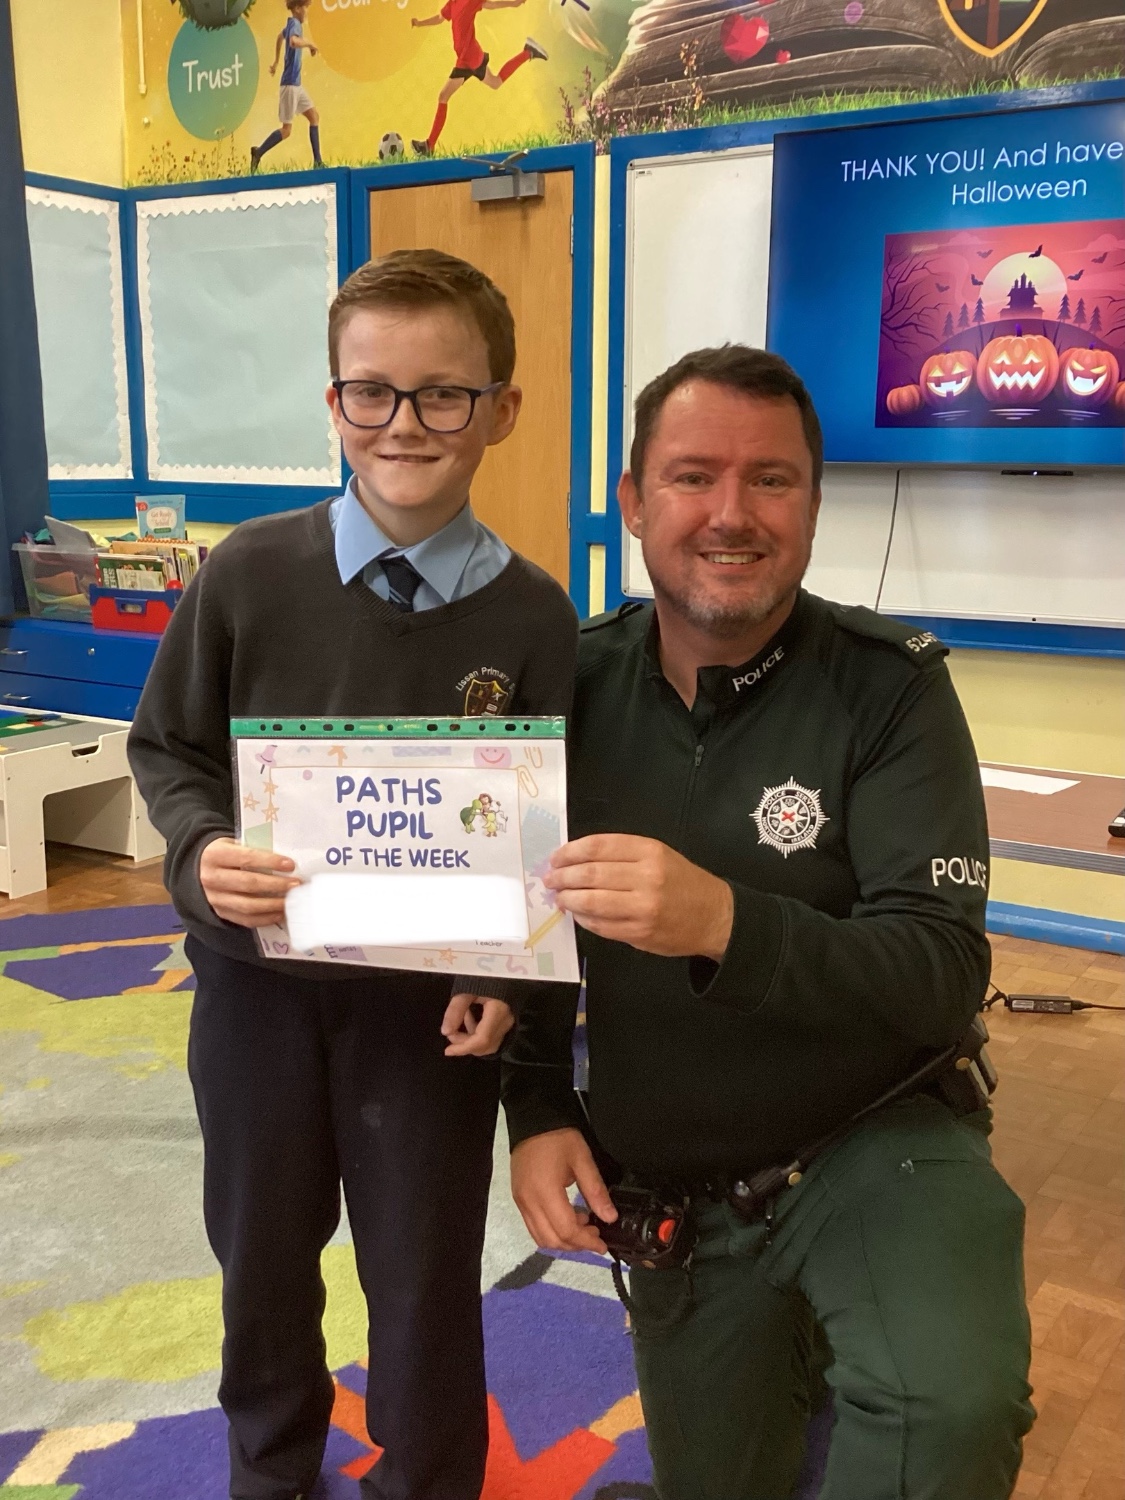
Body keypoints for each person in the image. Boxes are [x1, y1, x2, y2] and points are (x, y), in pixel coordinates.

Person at [504, 345, 1035, 1499]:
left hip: (879, 1133)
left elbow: (941, 971)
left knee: (948, 1405)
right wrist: (536, 1108)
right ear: (634, 500)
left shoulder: (892, 688)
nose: (731, 513)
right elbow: (518, 924)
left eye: (772, 479)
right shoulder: (565, 688)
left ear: (814, 503)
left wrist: (725, 923)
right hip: (673, 1176)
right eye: (693, 477)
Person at [128, 249, 577, 1500]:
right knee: (263, 1258)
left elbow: (541, 832)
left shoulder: (536, 617)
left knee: (423, 1271)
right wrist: (200, 856)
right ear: (333, 403)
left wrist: (511, 981)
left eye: (444, 393)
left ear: (502, 410)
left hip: (427, 1019)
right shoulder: (245, 574)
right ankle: (269, 1469)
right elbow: (168, 750)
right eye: (371, 391)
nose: (404, 423)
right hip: (254, 996)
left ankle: (426, 1477)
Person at [410, 0, 547, 158]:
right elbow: (440, 18)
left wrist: (513, 3)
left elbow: (491, 5)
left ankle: (429, 145)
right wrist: (419, 23)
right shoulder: (452, 3)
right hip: (465, 58)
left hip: (471, 57)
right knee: (495, 82)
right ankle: (528, 52)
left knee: (443, 96)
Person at [251, 0, 322, 174]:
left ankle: (318, 162)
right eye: (305, 8)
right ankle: (258, 152)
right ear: (297, 8)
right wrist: (310, 44)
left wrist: (276, 61)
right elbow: (292, 42)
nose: (306, 11)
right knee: (286, 130)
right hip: (290, 85)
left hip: (296, 84)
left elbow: (279, 37)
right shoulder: (295, 24)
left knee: (314, 116)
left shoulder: (291, 24)